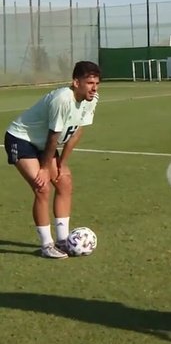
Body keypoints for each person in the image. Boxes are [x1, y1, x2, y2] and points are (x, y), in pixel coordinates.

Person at [5, 60, 101, 259]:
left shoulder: (92, 100)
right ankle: (46, 245)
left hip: (43, 145)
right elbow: (53, 136)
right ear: (76, 82)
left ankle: (63, 241)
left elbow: (77, 131)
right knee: (42, 187)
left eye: (97, 83)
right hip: (21, 139)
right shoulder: (62, 99)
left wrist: (62, 163)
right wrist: (44, 168)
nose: (94, 88)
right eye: (90, 83)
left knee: (64, 182)